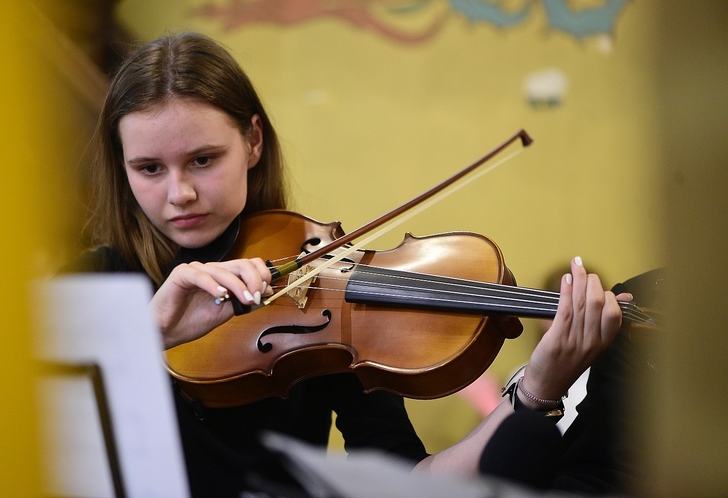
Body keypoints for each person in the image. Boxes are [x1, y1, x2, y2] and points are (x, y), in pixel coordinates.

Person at [67, 31, 627, 497]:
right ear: (122, 167)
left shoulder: (325, 287)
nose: (180, 192)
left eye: (203, 159)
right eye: (149, 168)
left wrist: (537, 392)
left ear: (253, 142)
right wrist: (147, 331)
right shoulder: (87, 287)